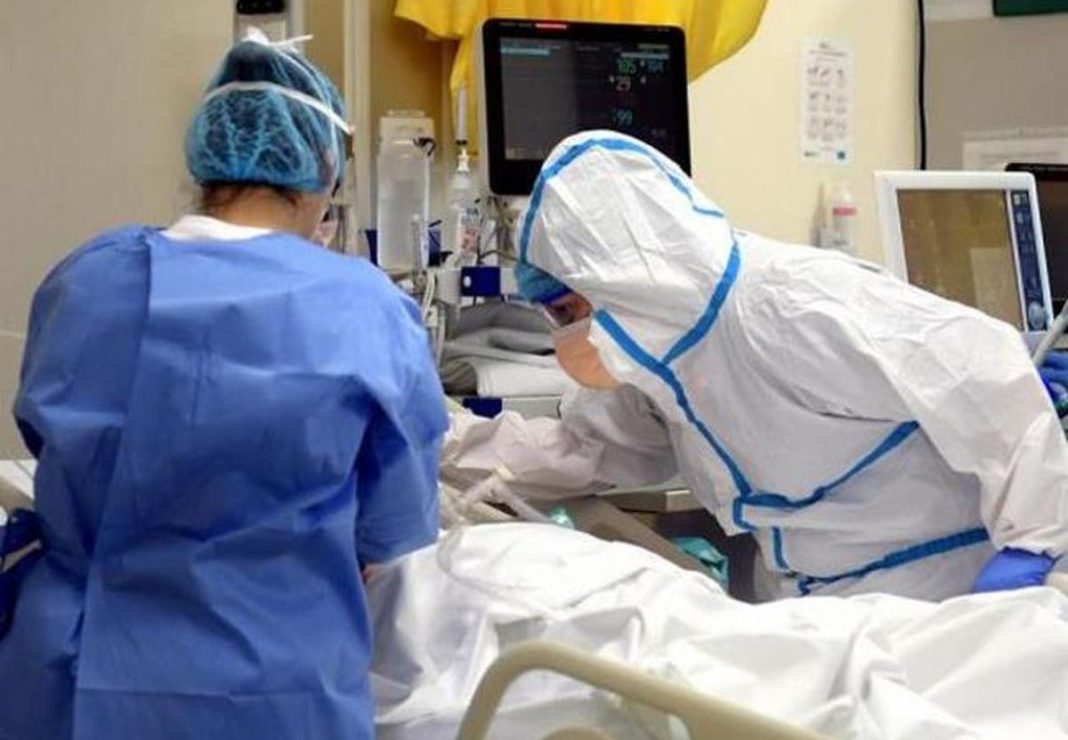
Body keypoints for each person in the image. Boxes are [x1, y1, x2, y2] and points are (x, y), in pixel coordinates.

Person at [0, 33, 446, 740]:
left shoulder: (87, 280)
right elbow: (393, 546)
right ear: (322, 174)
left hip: (69, 679)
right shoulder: (364, 308)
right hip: (273, 693)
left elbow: (50, 443)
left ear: (206, 157)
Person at [443, 130, 1068, 601]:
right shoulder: (659, 356)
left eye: (567, 310)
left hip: (945, 595)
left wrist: (1034, 546)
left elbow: (984, 369)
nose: (566, 333)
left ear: (619, 281)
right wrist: (438, 441)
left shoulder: (789, 305)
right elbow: (590, 452)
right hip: (823, 612)